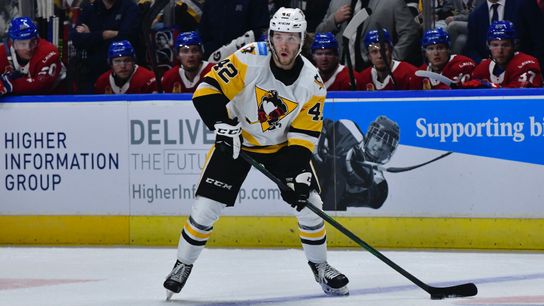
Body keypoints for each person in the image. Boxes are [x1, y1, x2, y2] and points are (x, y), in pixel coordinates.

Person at [163, 7, 349, 299]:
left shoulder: (312, 83)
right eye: (279, 37)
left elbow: (303, 137)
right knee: (205, 209)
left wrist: (295, 176)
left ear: (301, 41)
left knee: (311, 202)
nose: (284, 44)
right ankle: (182, 264)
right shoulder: (249, 58)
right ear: (270, 37)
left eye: (291, 37)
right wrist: (223, 125)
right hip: (238, 140)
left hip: (281, 147)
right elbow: (206, 91)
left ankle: (320, 265)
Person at [314, 116, 399, 211]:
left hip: (320, 205)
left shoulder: (379, 185)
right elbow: (325, 124)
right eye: (377, 138)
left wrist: (350, 168)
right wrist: (321, 138)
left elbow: (343, 195)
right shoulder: (349, 131)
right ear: (369, 136)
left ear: (390, 151)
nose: (380, 146)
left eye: (386, 144)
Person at [315, 0, 421, 71]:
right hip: (343, 73)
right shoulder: (336, 2)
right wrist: (334, 20)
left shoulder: (391, 2)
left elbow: (410, 32)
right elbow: (319, 35)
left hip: (378, 73)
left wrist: (390, 59)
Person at [69, 0, 141, 93]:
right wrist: (105, 34)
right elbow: (77, 39)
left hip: (124, 73)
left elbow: (128, 37)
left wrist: (91, 35)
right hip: (93, 72)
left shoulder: (130, 7)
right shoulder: (90, 8)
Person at [0, 17, 66, 96]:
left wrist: (10, 84)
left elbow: (41, 85)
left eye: (32, 42)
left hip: (56, 96)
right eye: (22, 43)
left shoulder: (49, 52)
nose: (28, 48)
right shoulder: (2, 52)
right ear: (12, 43)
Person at [470, 20, 543, 88]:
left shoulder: (527, 64)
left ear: (514, 45)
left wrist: (490, 86)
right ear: (488, 46)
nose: (500, 51)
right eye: (495, 45)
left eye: (505, 45)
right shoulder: (482, 68)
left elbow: (518, 96)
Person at [199, 0, 269, 60]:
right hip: (213, 58)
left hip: (246, 58)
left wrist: (230, 50)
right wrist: (214, 53)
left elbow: (261, 31)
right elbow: (204, 31)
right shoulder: (211, 2)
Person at [356, 29, 421, 90]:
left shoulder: (410, 74)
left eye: (384, 50)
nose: (380, 56)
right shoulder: (363, 78)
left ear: (391, 50)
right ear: (369, 56)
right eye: (374, 52)